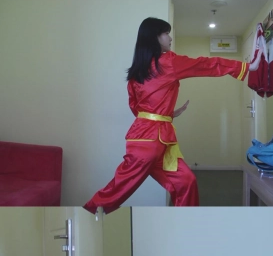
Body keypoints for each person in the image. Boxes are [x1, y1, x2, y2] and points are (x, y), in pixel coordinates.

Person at [84, 17, 249, 215]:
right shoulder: (168, 62)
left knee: (186, 182)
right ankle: (86, 214)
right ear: (154, 37)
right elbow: (204, 65)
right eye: (165, 33)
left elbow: (137, 107)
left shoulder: (138, 71)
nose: (169, 38)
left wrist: (167, 114)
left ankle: (185, 226)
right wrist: (244, 67)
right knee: (116, 191)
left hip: (151, 139)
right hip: (151, 142)